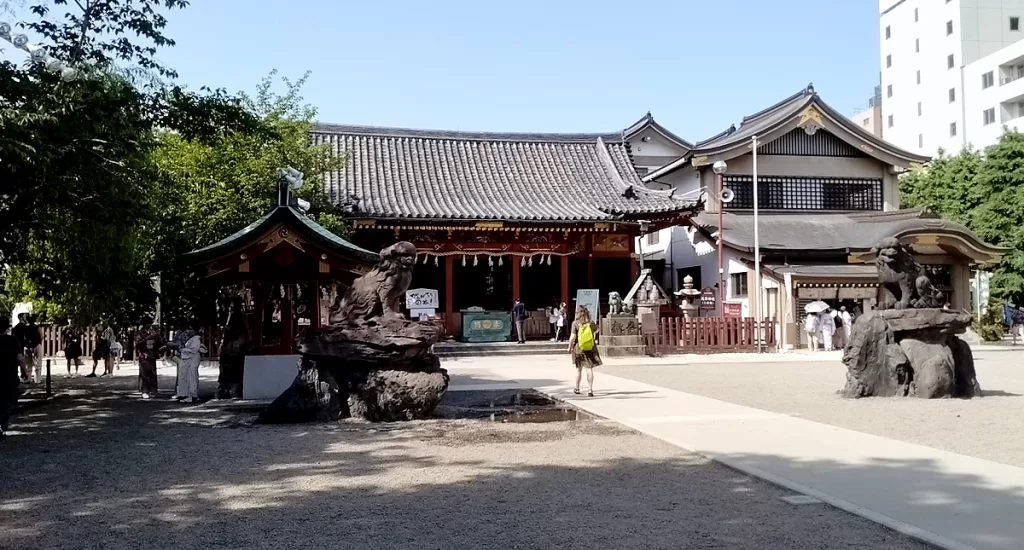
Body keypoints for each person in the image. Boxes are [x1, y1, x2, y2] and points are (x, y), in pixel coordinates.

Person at [0, 316, 25, 440]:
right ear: (7, 328)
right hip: (9, 376)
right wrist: (25, 371)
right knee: (8, 403)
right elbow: (20, 359)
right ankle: (2, 426)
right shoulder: (12, 340)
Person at [568, 306, 601, 397]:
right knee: (589, 369)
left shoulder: (575, 323)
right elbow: (597, 330)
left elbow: (573, 337)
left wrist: (570, 347)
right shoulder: (591, 323)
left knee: (579, 369)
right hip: (590, 348)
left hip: (579, 349)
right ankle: (590, 390)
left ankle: (577, 388)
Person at [174, 330, 207, 403]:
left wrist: (183, 350)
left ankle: (192, 395)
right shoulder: (193, 339)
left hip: (193, 359)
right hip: (190, 359)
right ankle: (185, 394)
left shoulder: (196, 339)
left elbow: (194, 350)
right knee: (186, 376)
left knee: (192, 376)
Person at [134, 318, 164, 399]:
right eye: (147, 324)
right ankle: (144, 390)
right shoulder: (139, 333)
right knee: (144, 373)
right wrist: (147, 339)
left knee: (152, 373)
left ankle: (153, 390)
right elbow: (137, 344)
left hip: (152, 353)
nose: (149, 325)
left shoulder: (153, 332)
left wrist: (158, 337)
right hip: (144, 354)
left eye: (149, 324)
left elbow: (159, 343)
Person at [23, 315, 42, 384]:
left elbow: (24, 337)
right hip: (36, 345)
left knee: (28, 364)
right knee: (38, 363)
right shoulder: (37, 328)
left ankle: (28, 378)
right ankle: (37, 379)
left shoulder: (25, 328)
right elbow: (41, 336)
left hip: (28, 346)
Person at [12, 313, 31, 382]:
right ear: (20, 318)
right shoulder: (23, 326)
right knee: (22, 360)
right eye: (23, 317)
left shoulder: (16, 327)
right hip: (22, 345)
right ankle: (24, 375)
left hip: (18, 344)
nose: (25, 318)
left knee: (19, 360)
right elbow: (26, 336)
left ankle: (22, 375)